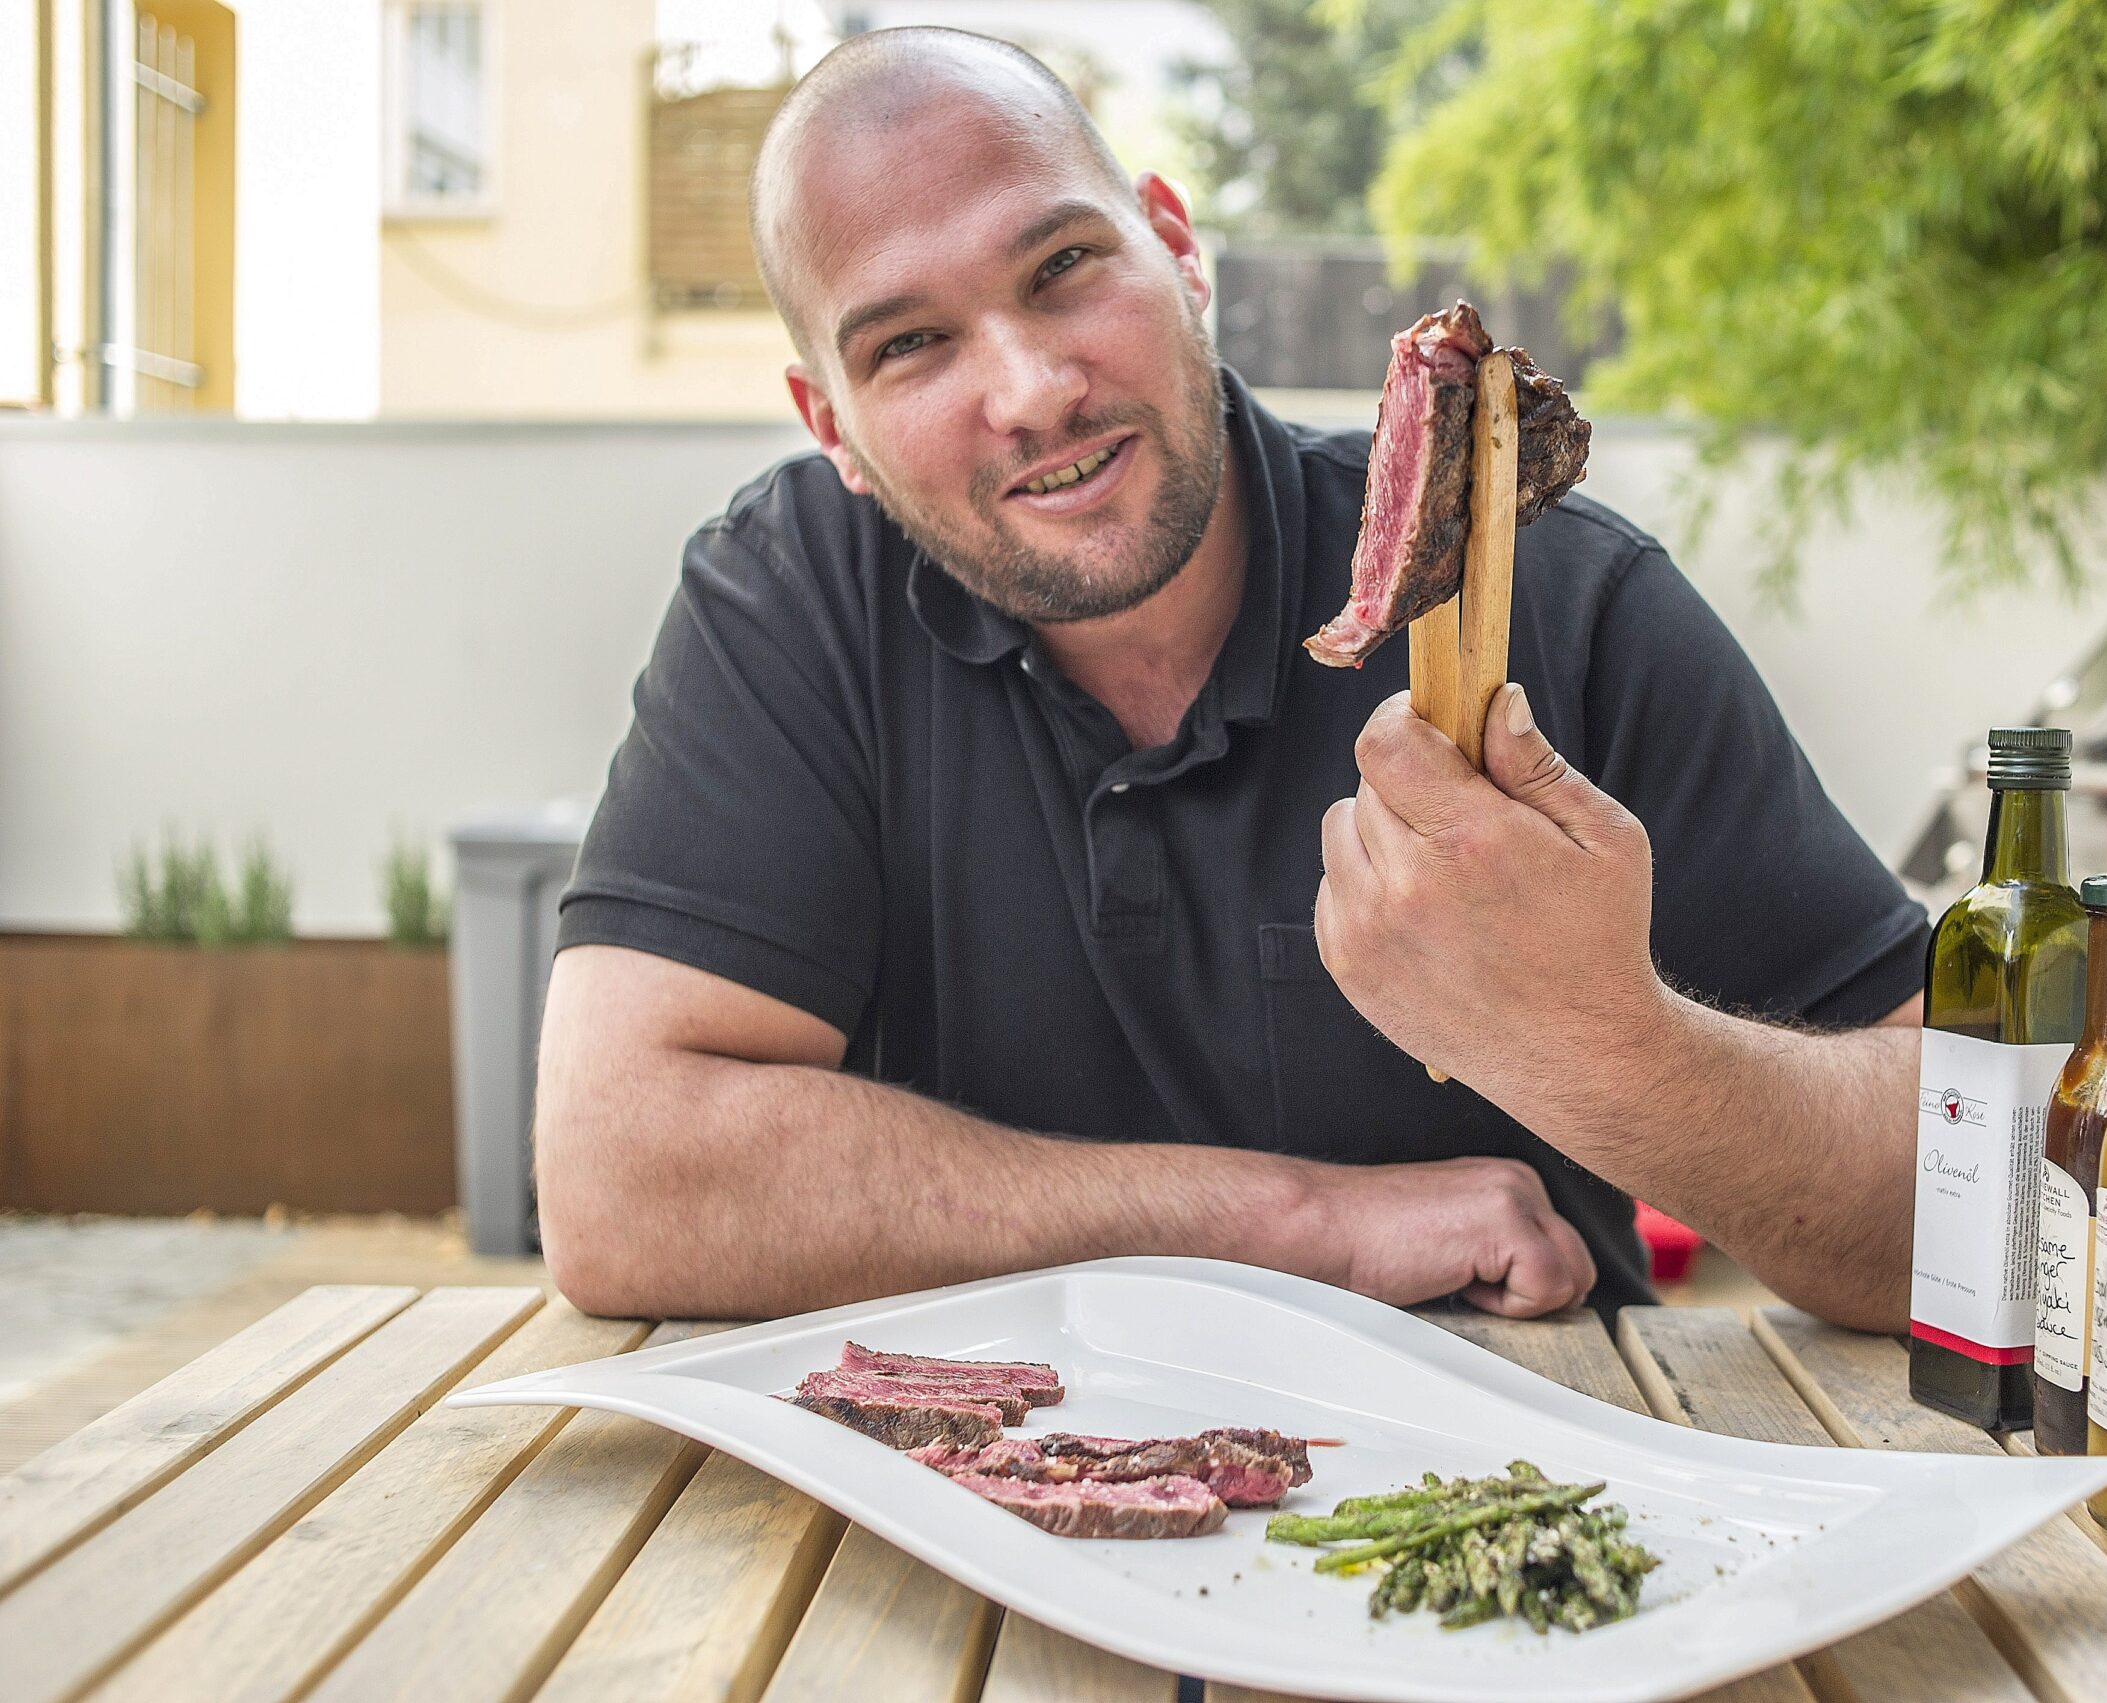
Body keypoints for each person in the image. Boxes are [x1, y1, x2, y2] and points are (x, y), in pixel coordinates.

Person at [534, 26, 1925, 1331]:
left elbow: (1979, 1217)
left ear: (1178, 250)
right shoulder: (797, 598)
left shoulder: (1553, 596)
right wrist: (1298, 1226)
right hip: (980, 1527)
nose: (1029, 390)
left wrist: (1609, 1043)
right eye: (911, 344)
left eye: (1063, 267)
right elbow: (614, 1184)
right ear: (830, 424)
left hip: (1512, 1525)